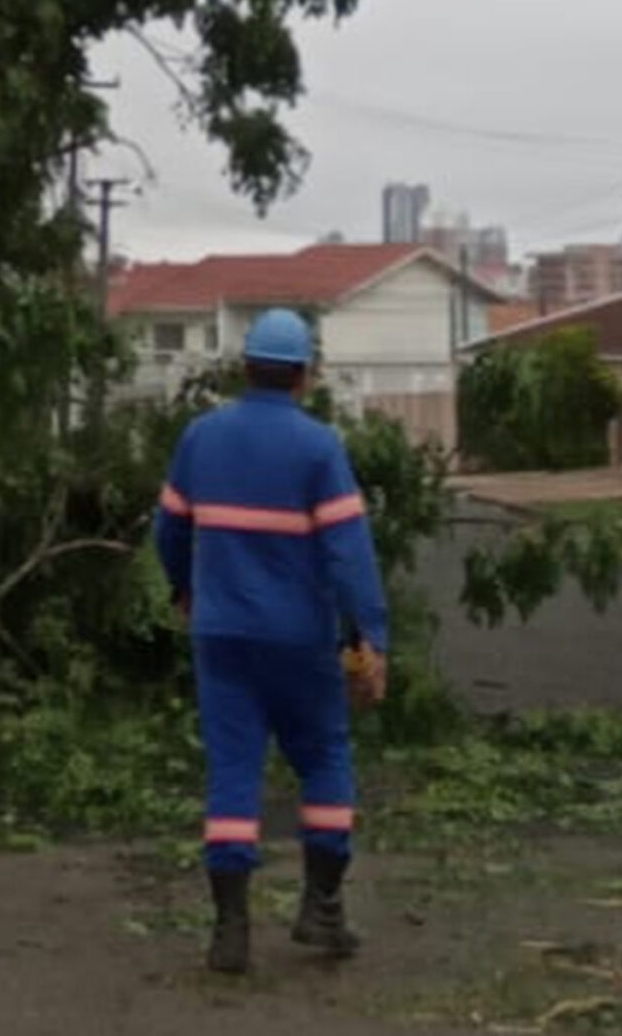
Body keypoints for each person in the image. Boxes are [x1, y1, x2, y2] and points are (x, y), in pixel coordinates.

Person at [152, 307, 392, 976]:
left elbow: (167, 530)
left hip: (221, 635)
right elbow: (349, 554)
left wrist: (183, 588)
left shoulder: (202, 437)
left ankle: (230, 930)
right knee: (323, 759)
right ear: (304, 375)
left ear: (245, 366)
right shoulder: (320, 448)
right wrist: (369, 634)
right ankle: (322, 906)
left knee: (233, 768)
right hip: (299, 640)